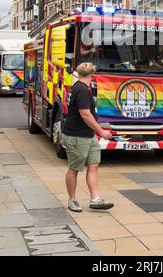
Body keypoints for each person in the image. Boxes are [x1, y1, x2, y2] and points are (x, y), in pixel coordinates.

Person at [62, 62, 114, 212]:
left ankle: (95, 199)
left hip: (87, 135)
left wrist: (96, 132)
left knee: (93, 164)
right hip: (77, 136)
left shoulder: (80, 87)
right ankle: (72, 200)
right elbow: (85, 114)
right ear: (92, 75)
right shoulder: (82, 90)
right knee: (74, 168)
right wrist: (101, 132)